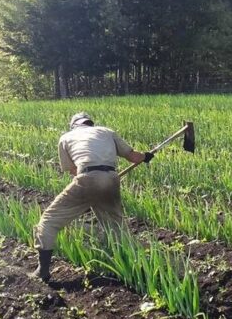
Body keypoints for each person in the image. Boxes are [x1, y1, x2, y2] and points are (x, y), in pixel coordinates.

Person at [31, 112, 153, 283]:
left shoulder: (66, 137)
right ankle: (138, 270)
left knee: (49, 221)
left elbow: (73, 171)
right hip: (111, 178)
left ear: (74, 125)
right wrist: (146, 156)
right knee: (116, 228)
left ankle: (42, 270)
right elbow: (134, 157)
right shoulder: (106, 131)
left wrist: (86, 195)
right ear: (90, 123)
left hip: (87, 177)